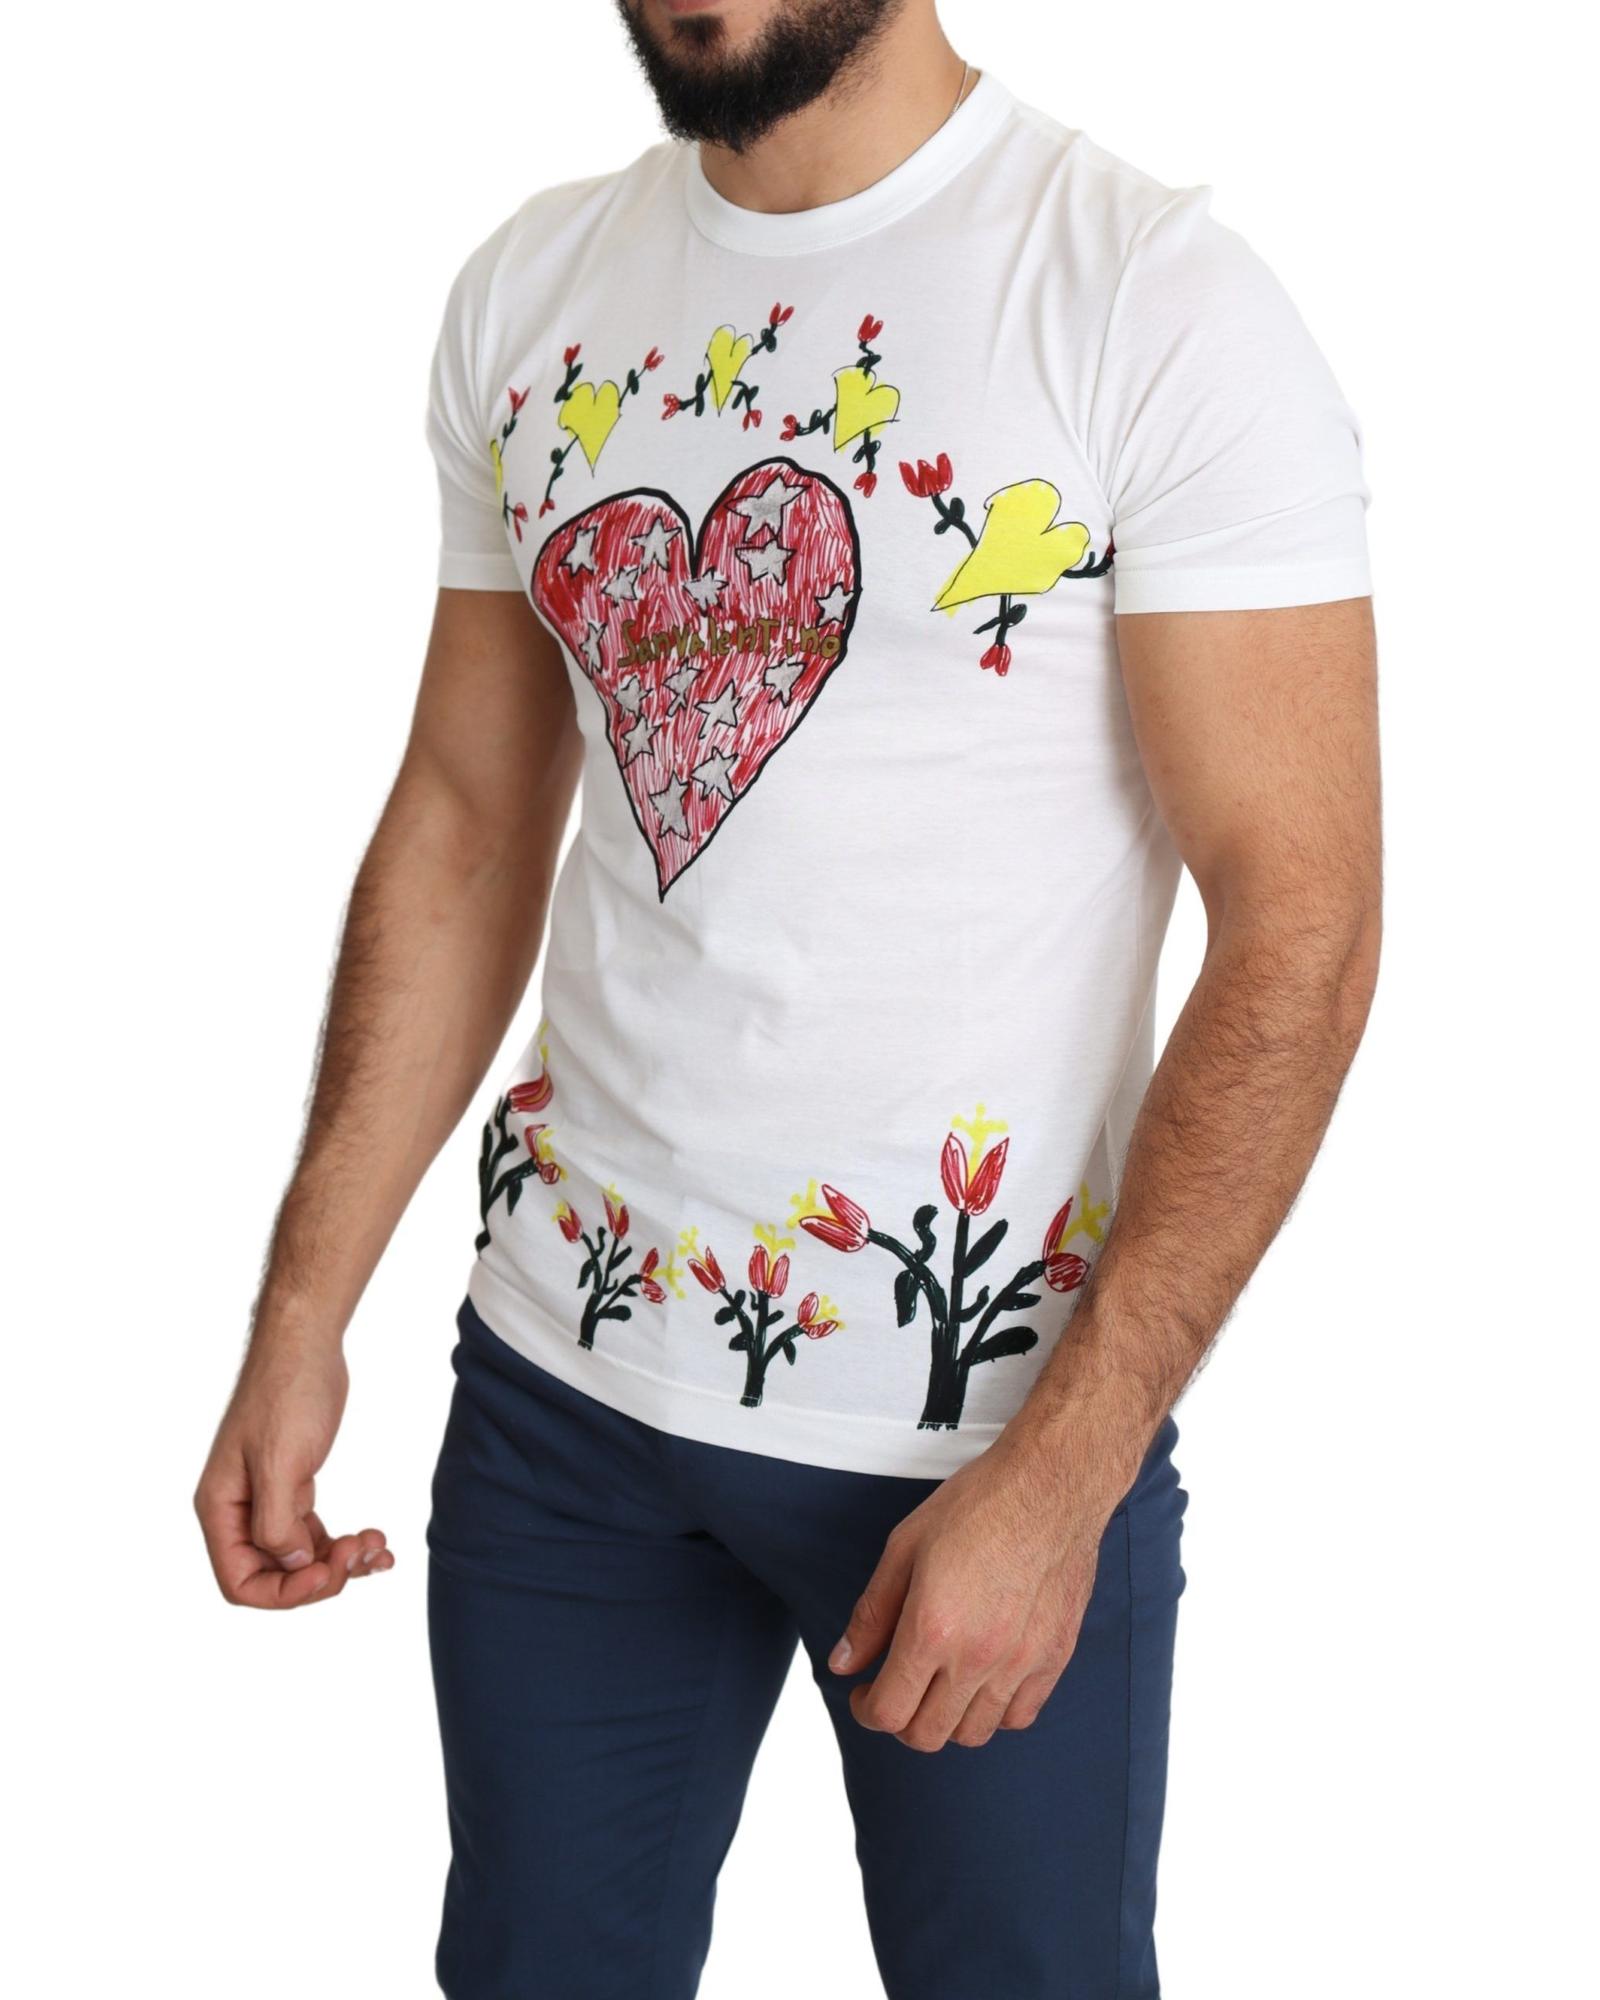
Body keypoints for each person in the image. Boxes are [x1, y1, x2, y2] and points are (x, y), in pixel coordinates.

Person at [195, 2, 1381, 1993]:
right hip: (559, 1393)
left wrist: (1066, 1471)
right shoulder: (534, 285)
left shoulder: (1151, 300)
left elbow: (1302, 928)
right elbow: (467, 822)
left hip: (973, 1428)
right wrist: (299, 1313)